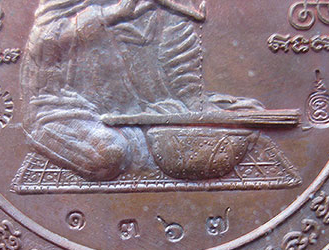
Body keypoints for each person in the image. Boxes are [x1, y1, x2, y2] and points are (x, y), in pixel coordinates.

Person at [21, 0, 263, 181]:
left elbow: (180, 62)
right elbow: (44, 41)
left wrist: (195, 105)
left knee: (246, 115)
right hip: (64, 108)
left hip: (143, 107)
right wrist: (109, 15)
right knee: (110, 154)